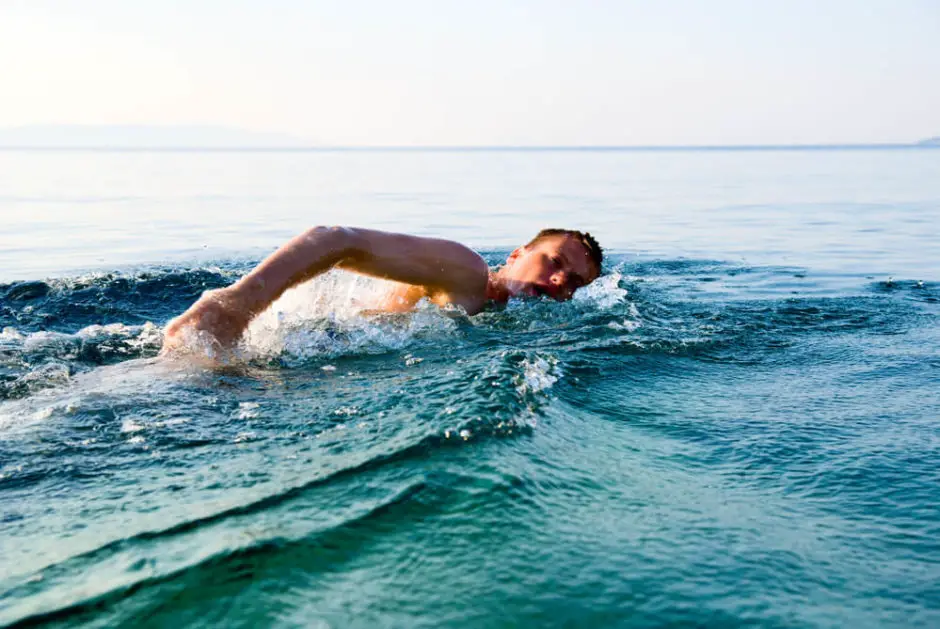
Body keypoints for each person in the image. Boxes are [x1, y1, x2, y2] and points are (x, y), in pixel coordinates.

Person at [161, 226, 603, 353]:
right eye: (555, 261)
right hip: (293, 343)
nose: (560, 280)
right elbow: (336, 239)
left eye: (574, 282)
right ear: (517, 254)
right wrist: (233, 306)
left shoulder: (520, 326)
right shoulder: (466, 272)